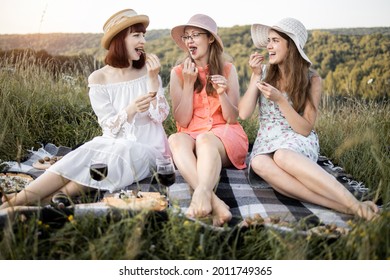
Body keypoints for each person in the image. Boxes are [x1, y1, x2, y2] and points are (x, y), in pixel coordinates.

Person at [0, 9, 170, 209]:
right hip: (113, 143)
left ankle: (38, 201)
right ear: (119, 40)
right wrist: (130, 110)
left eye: (143, 35)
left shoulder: (149, 73)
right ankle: (19, 200)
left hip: (150, 149)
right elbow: (109, 128)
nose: (143, 41)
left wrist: (152, 80)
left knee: (122, 149)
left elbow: (160, 116)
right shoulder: (99, 78)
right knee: (88, 150)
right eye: (136, 35)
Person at [238, 17, 379, 220]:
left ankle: (353, 204)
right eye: (268, 40)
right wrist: (255, 76)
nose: (268, 46)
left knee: (282, 156)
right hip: (268, 140)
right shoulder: (264, 73)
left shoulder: (312, 79)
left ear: (291, 46)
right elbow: (243, 113)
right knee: (258, 163)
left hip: (296, 139)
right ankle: (349, 207)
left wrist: (281, 101)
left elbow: (304, 129)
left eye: (275, 40)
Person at [168, 14, 249, 226]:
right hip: (191, 133)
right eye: (186, 37)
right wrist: (188, 83)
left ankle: (202, 194)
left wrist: (222, 92)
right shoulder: (177, 73)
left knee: (205, 139)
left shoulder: (228, 69)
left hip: (225, 135)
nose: (190, 41)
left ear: (210, 39)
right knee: (175, 140)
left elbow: (232, 118)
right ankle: (216, 202)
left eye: (195, 35)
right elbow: (183, 121)